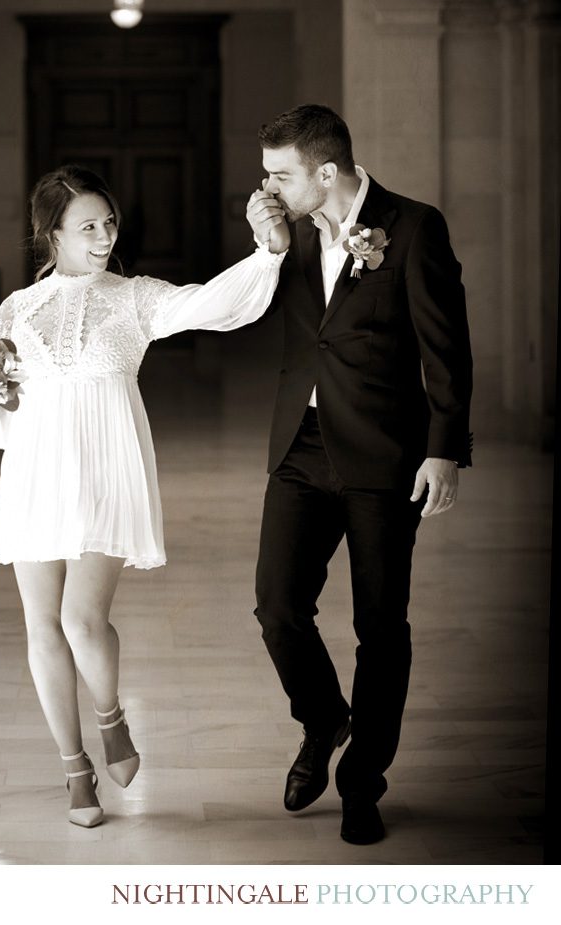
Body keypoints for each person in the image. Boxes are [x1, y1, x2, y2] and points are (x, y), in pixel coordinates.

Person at [0, 164, 285, 828]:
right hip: (35, 475)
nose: (104, 235)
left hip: (108, 472)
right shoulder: (16, 308)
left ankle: (110, 714)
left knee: (82, 620)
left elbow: (212, 303)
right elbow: (8, 406)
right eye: (88, 227)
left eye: (109, 222)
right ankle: (75, 769)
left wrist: (266, 254)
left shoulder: (135, 297)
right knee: (41, 627)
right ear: (51, 233)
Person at [245, 104, 472, 846]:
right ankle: (323, 719)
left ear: (328, 173)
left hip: (383, 453)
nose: (268, 185)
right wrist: (270, 246)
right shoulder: (290, 233)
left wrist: (444, 447)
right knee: (278, 605)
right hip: (300, 448)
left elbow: (446, 347)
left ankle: (362, 783)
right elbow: (263, 314)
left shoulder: (412, 226)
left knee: (380, 627)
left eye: (281, 174)